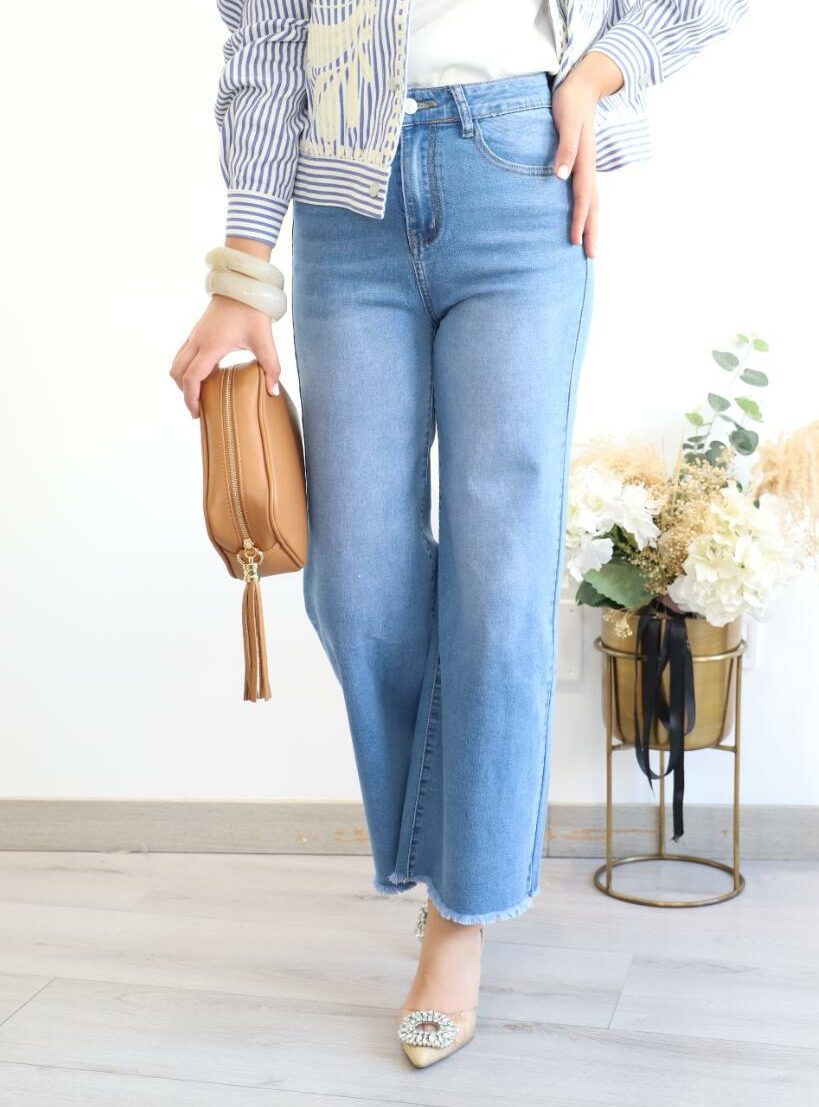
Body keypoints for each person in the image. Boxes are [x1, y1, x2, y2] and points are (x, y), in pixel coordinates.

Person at [170, 0, 750, 1069]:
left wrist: (596, 76)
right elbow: (266, 37)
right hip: (345, 195)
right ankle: (454, 861)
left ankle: (458, 915)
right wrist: (242, 268)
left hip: (518, 170)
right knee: (356, 585)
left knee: (496, 576)